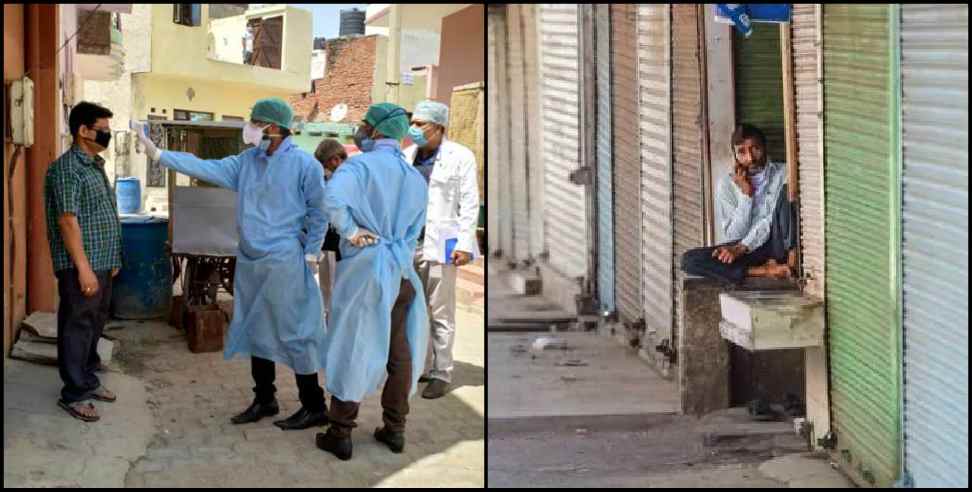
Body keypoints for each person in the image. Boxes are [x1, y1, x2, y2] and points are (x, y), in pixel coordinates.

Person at [132, 98, 346, 431]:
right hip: (250, 258)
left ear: (273, 128)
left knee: (295, 330)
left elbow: (320, 213)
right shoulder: (248, 162)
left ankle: (314, 404)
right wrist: (159, 155)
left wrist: (311, 252)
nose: (250, 126)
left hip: (286, 260)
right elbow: (205, 166)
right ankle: (265, 398)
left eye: (255, 121)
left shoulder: (305, 166)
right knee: (255, 325)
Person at [314, 103, 429, 461]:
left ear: (377, 130)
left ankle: (341, 432)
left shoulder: (359, 167)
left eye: (364, 125)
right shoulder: (412, 177)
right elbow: (415, 229)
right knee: (399, 350)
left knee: (353, 344)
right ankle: (395, 429)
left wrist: (351, 230)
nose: (359, 131)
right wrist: (399, 248)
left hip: (367, 272)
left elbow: (330, 198)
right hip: (401, 272)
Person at [45, 101, 123, 422]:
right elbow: (67, 221)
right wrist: (84, 268)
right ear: (83, 131)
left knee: (95, 322)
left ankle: (88, 378)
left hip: (102, 262)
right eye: (103, 130)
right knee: (77, 324)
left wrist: (112, 258)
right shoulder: (67, 169)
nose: (107, 135)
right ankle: (74, 393)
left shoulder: (94, 164)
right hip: (82, 266)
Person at [402, 100, 480, 399]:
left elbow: (469, 203)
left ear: (439, 127)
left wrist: (463, 244)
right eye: (414, 122)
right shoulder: (407, 155)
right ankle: (421, 366)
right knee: (413, 308)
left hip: (443, 245)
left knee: (441, 311)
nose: (415, 128)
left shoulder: (460, 156)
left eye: (421, 124)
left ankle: (442, 372)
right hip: (411, 245)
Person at [680, 124, 797, 284]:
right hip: (748, 250)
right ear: (735, 155)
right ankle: (763, 271)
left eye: (755, 148)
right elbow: (735, 235)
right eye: (742, 152)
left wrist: (741, 247)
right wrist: (746, 195)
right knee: (689, 260)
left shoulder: (784, 173)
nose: (750, 158)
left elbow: (771, 220)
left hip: (777, 243)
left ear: (765, 147)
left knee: (787, 192)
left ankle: (791, 263)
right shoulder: (727, 185)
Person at [312, 138, 349, 317]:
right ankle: (327, 319)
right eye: (332, 159)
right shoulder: (317, 179)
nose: (337, 163)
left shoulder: (349, 178)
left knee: (341, 285)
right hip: (326, 241)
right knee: (326, 286)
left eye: (340, 158)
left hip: (343, 239)